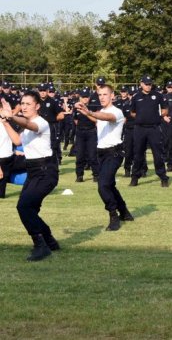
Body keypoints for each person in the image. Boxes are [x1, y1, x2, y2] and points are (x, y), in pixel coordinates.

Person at [1, 92, 60, 261]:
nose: (24, 106)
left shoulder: (40, 122)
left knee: (24, 207)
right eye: (22, 103)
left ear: (37, 106)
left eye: (28, 104)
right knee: (29, 208)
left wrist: (11, 116)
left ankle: (41, 245)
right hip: (34, 171)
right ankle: (49, 240)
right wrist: (5, 122)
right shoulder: (26, 127)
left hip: (46, 171)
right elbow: (18, 142)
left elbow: (28, 124)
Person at [75, 84, 133, 231]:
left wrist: (90, 112)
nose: (102, 97)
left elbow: (107, 117)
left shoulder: (117, 112)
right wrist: (85, 112)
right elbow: (98, 120)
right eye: (99, 95)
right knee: (110, 185)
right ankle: (125, 211)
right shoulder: (100, 112)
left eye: (105, 94)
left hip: (114, 153)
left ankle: (113, 215)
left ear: (112, 96)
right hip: (101, 153)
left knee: (103, 185)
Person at [129, 76, 169, 187]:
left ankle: (163, 177)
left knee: (158, 154)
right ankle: (135, 177)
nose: (148, 86)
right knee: (138, 154)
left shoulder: (158, 95)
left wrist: (156, 116)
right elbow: (132, 112)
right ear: (141, 84)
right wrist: (142, 117)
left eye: (150, 84)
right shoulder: (136, 97)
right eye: (146, 84)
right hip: (140, 129)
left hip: (154, 128)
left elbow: (165, 110)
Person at [72, 89, 100, 182]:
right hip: (80, 132)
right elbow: (75, 120)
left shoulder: (93, 106)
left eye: (86, 97)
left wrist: (87, 113)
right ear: (80, 97)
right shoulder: (76, 107)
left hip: (91, 132)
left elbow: (96, 120)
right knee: (79, 155)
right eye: (83, 97)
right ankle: (79, 175)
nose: (85, 99)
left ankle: (96, 175)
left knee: (92, 155)